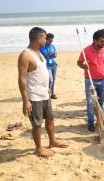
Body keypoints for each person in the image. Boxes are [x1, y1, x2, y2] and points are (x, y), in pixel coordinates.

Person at [18, 27, 68, 157]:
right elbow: (22, 78)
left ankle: (52, 141)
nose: (46, 40)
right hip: (34, 96)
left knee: (50, 119)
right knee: (37, 124)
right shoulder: (25, 55)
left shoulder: (39, 52)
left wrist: (47, 87)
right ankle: (39, 148)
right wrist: (25, 100)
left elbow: (39, 73)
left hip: (44, 94)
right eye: (45, 37)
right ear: (39, 39)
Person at [77, 29, 104, 132]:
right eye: (102, 41)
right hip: (90, 80)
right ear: (95, 40)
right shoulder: (86, 51)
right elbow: (79, 62)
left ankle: (101, 120)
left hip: (102, 80)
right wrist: (83, 66)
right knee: (90, 102)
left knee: (102, 102)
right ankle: (90, 123)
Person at [39, 33, 58, 99]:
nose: (50, 42)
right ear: (46, 39)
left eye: (52, 41)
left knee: (54, 80)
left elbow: (55, 55)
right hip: (46, 66)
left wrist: (54, 54)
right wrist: (47, 54)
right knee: (50, 80)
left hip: (54, 65)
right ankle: (48, 93)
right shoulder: (41, 47)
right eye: (49, 41)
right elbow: (40, 57)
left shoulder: (53, 46)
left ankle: (52, 93)